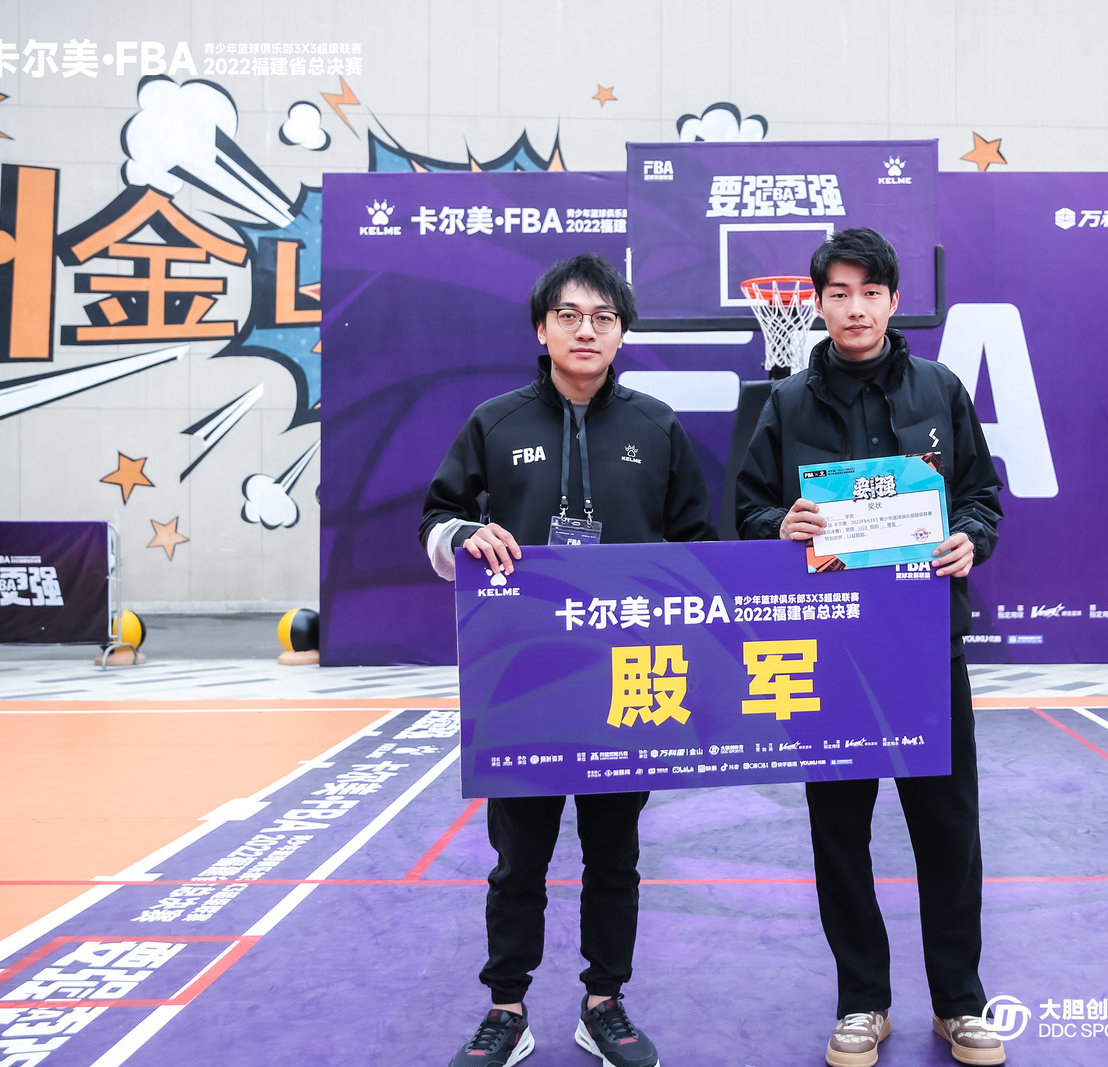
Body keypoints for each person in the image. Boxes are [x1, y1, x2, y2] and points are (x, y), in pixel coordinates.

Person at [421, 252, 716, 1067]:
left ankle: (604, 1002)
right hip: (523, 681)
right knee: (518, 857)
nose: (587, 330)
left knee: (614, 854)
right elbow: (438, 519)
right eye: (570, 315)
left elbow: (696, 546)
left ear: (621, 334)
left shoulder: (656, 427)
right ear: (541, 329)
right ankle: (506, 1008)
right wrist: (464, 534)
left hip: (628, 681)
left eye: (603, 318)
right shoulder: (495, 423)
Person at [735, 228, 1006, 1067]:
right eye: (839, 293)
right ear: (817, 304)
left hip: (924, 646)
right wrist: (779, 524)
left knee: (948, 832)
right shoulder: (786, 404)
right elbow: (747, 511)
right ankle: (863, 1001)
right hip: (827, 655)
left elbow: (980, 495)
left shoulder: (939, 389)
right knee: (839, 834)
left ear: (893, 301)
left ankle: (960, 1002)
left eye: (870, 293)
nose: (855, 308)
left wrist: (969, 537)